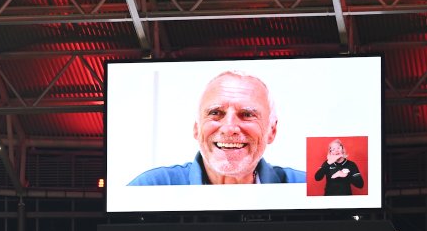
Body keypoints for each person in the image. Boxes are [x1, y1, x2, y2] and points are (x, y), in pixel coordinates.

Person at [129, 71, 304, 186]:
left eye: (247, 114)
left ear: (272, 131)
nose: (229, 128)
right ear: (197, 129)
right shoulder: (150, 186)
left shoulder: (304, 187)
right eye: (215, 112)